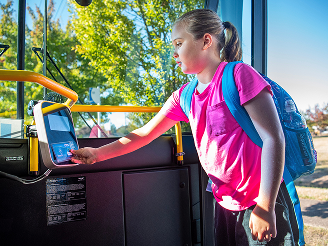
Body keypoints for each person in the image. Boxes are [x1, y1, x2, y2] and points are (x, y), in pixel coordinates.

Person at [71, 9, 299, 246]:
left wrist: (265, 206)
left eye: (179, 44)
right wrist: (97, 154)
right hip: (224, 204)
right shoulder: (185, 96)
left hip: (260, 200)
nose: (174, 53)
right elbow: (144, 134)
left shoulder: (239, 76)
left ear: (206, 41)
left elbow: (274, 138)